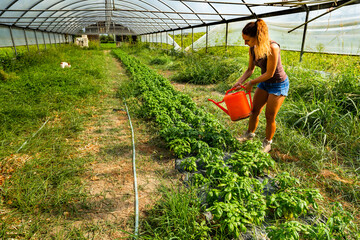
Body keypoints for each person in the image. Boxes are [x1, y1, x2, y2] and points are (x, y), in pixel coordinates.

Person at [232, 18, 289, 153]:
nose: (245, 43)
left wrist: (251, 82)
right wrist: (240, 81)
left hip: (278, 84)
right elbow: (250, 69)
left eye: (248, 40)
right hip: (264, 83)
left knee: (270, 116)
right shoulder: (252, 49)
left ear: (257, 37)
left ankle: (267, 143)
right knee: (254, 111)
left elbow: (270, 73)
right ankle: (249, 134)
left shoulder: (273, 48)